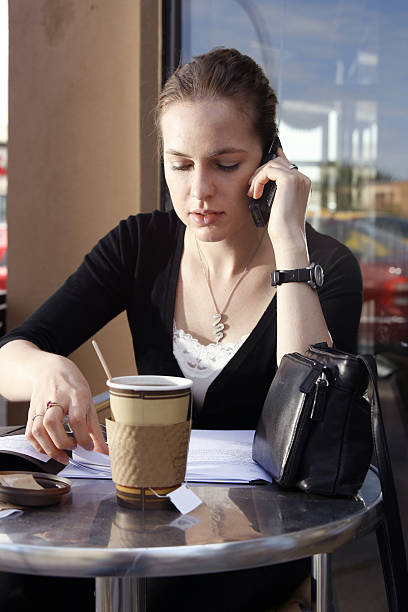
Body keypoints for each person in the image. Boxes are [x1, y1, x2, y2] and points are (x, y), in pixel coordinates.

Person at [0, 48, 362, 611]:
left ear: (272, 161)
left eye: (225, 163)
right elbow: (9, 353)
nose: (198, 192)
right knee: (21, 585)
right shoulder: (140, 245)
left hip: (260, 537)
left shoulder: (325, 267)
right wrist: (47, 367)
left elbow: (311, 426)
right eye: (180, 163)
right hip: (142, 520)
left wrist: (291, 248)